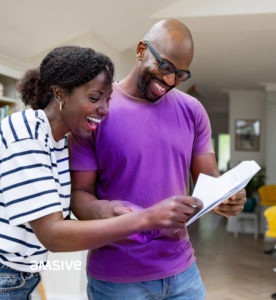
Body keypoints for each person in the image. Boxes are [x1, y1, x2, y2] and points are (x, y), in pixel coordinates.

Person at [0, 45, 203, 300]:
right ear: (61, 94)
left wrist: (109, 210)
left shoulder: (58, 142)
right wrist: (148, 218)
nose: (105, 110)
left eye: (108, 100)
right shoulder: (25, 135)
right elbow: (52, 234)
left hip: (22, 276)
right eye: (95, 98)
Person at [69, 19, 247, 300]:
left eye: (181, 74)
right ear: (141, 49)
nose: (170, 80)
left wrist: (227, 198)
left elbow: (209, 182)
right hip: (117, 279)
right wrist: (110, 211)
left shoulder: (193, 110)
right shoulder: (97, 110)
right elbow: (79, 195)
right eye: (165, 67)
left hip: (183, 274)